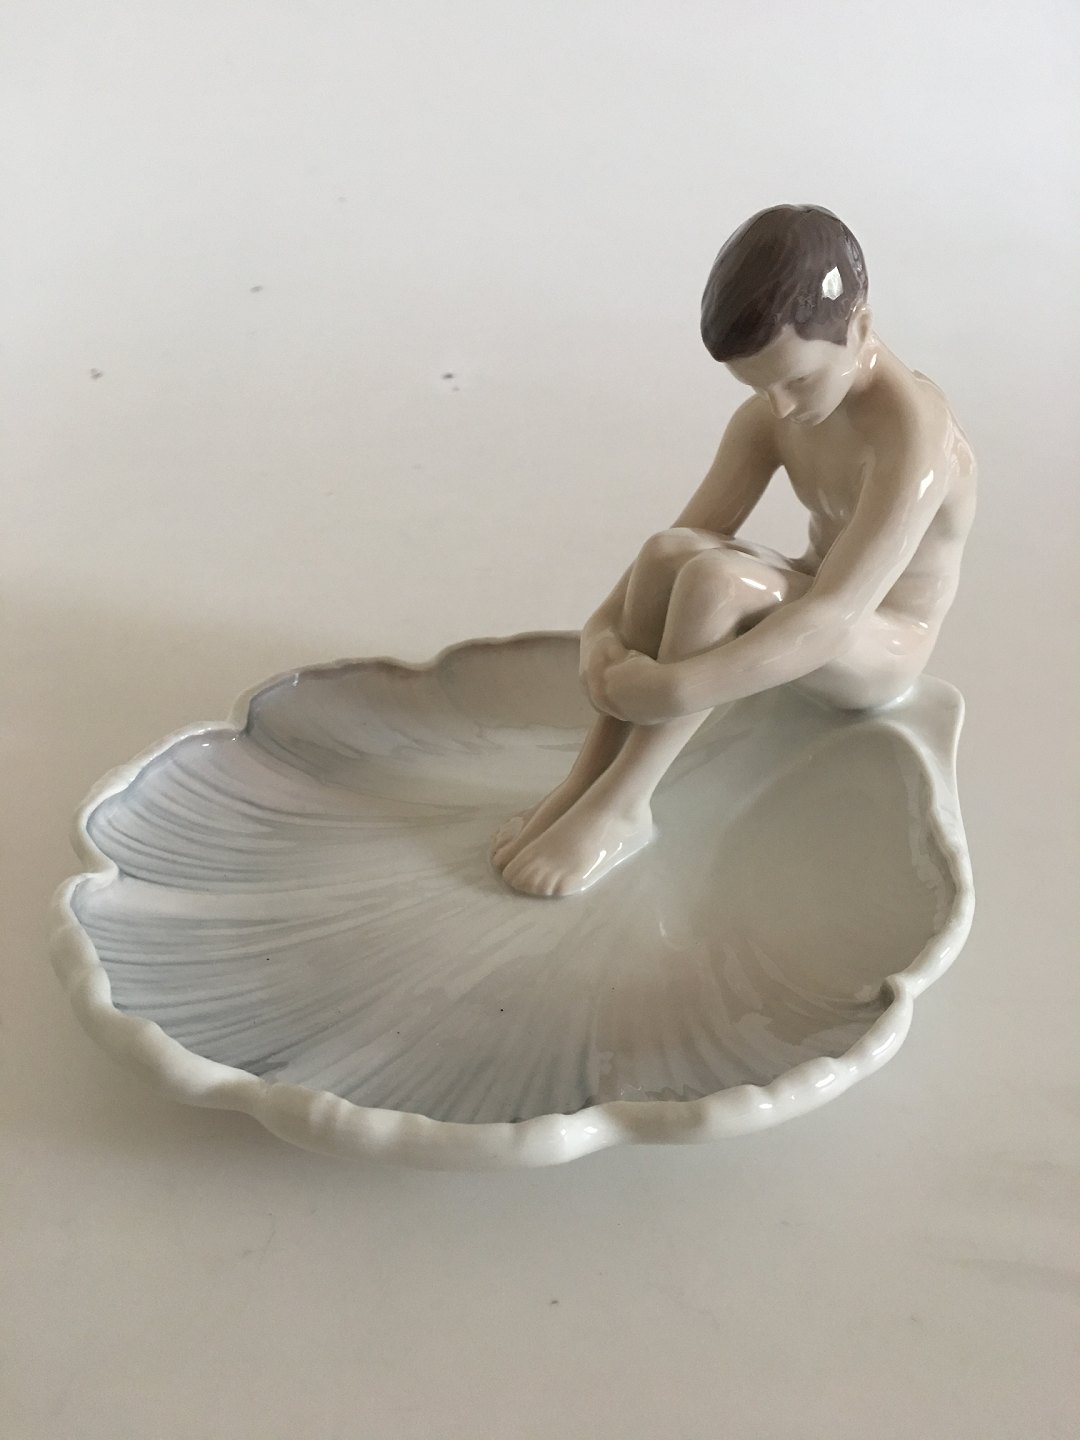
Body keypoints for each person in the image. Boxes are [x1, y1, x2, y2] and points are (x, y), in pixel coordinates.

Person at [492, 204, 976, 898]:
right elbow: (680, 540)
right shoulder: (774, 417)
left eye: (798, 380)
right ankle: (584, 784)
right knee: (672, 554)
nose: (780, 407)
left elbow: (834, 618)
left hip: (882, 641)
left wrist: (675, 688)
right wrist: (601, 635)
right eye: (757, 386)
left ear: (860, 328)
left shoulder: (914, 442)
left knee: (717, 583)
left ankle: (624, 804)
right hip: (814, 597)